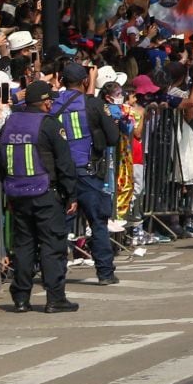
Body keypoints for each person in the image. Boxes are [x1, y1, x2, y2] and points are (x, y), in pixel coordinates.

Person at [0, 80, 80, 312]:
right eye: (49, 100)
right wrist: (71, 194)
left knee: (24, 246)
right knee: (52, 245)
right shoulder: (49, 124)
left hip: (17, 193)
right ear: (43, 102)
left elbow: (1, 161)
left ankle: (21, 298)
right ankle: (55, 298)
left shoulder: (10, 123)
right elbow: (64, 162)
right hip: (46, 193)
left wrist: (7, 191)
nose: (51, 103)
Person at [50, 60, 122, 285]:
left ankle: (55, 275)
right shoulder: (92, 104)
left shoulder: (51, 105)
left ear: (61, 81)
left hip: (61, 174)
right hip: (88, 173)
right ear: (84, 81)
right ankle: (105, 273)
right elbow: (113, 137)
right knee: (98, 222)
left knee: (60, 226)